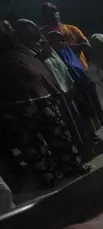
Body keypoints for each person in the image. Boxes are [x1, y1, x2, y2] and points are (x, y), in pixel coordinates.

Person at [0, 22, 88, 189]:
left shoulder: (19, 44)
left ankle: (72, 167)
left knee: (59, 135)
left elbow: (40, 63)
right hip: (13, 106)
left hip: (41, 97)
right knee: (33, 146)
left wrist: (52, 90)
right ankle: (50, 178)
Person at [13, 20, 96, 161]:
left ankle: (88, 151)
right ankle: (78, 156)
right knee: (67, 127)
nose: (31, 32)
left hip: (66, 88)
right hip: (52, 94)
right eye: (27, 30)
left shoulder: (44, 45)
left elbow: (61, 66)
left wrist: (70, 83)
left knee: (77, 121)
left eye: (32, 28)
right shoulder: (26, 51)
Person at [48, 30, 103, 144]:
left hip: (80, 83)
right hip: (68, 87)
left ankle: (93, 132)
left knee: (87, 109)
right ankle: (86, 136)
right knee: (79, 112)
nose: (62, 42)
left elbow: (76, 65)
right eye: (58, 40)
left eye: (62, 39)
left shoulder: (67, 50)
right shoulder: (52, 55)